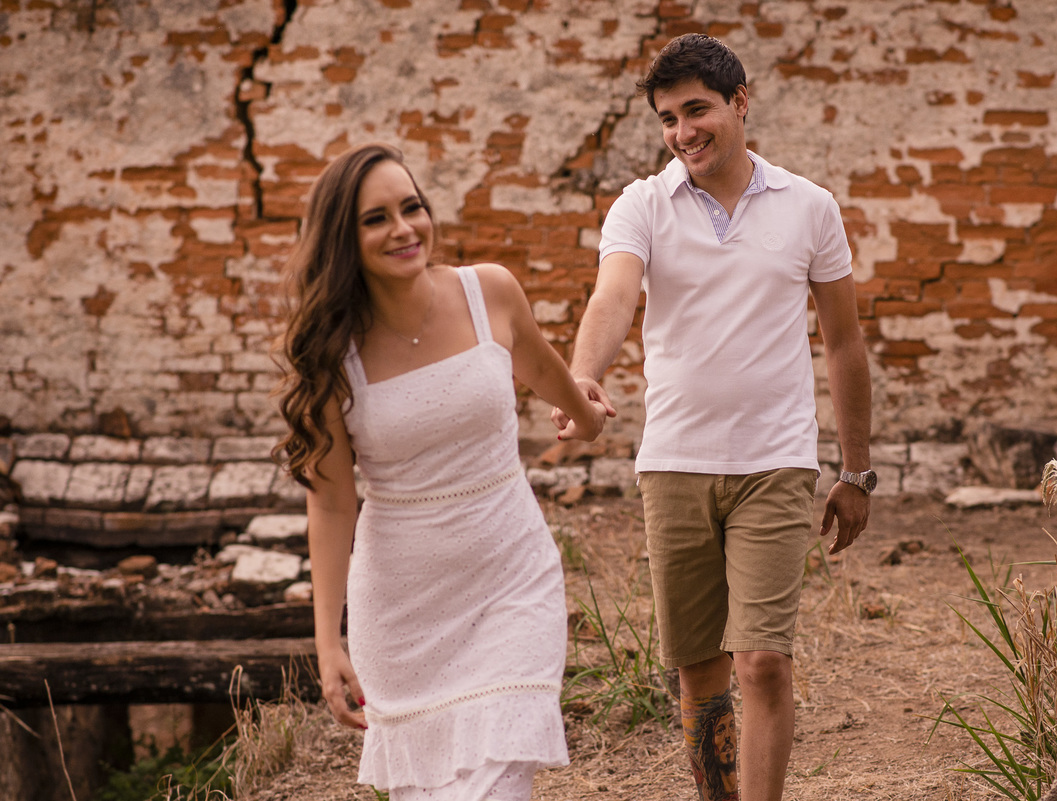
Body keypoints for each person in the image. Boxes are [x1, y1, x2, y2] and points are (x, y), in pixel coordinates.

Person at [552, 33, 874, 801]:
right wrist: (583, 373)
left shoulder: (809, 207)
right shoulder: (642, 205)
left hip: (775, 462)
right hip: (673, 465)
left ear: (740, 102)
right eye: (667, 118)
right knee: (699, 671)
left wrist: (857, 471)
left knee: (762, 661)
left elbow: (844, 341)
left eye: (696, 110)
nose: (682, 132)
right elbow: (612, 296)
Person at [273, 142, 607, 801]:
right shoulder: (332, 355)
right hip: (403, 614)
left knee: (499, 786)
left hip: (513, 579)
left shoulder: (490, 292)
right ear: (343, 240)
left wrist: (586, 417)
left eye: (412, 207)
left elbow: (545, 371)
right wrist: (327, 641)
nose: (404, 229)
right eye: (376, 218)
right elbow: (332, 504)